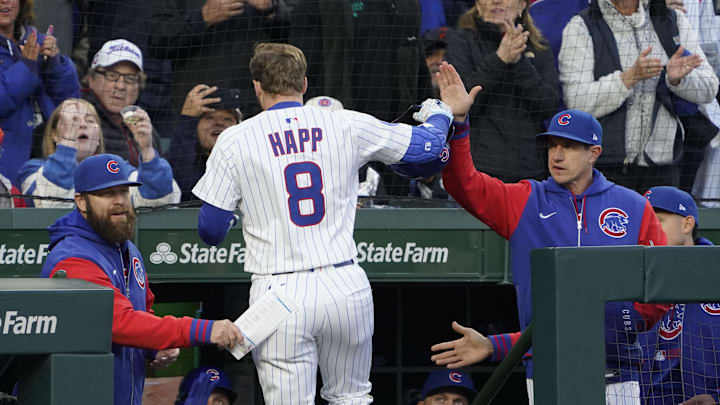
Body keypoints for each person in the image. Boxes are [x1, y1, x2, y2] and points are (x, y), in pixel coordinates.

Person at [191, 42, 464, 404]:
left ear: (257, 87)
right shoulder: (343, 121)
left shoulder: (234, 139)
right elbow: (428, 151)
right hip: (344, 284)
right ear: (304, 83)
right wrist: (440, 113)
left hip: (279, 291)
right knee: (351, 397)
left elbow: (210, 230)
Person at [431, 61, 668, 405]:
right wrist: (458, 123)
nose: (557, 155)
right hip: (548, 369)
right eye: (552, 145)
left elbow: (662, 287)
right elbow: (462, 184)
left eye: (569, 146)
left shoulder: (633, 206)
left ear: (594, 153)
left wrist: (621, 323)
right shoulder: (525, 198)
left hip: (618, 371)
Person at [40, 153, 243, 405]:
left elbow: (142, 310)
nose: (120, 201)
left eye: (123, 192)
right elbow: (120, 323)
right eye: (107, 194)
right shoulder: (73, 258)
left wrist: (153, 348)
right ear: (82, 202)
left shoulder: (127, 249)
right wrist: (204, 329)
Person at [558, 0, 719, 192]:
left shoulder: (672, 20)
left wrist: (676, 81)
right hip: (606, 168)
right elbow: (576, 101)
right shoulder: (581, 25)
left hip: (664, 167)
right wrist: (627, 79)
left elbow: (710, 86)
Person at [443, 0, 559, 183]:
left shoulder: (539, 47)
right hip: (476, 170)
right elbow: (459, 102)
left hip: (529, 171)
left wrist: (518, 62)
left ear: (522, 6)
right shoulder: (460, 41)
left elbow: (548, 105)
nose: (495, 1)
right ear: (478, 5)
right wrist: (500, 59)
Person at [17, 98, 180, 207]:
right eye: (73, 120)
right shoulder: (31, 170)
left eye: (89, 120)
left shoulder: (116, 168)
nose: (82, 125)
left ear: (98, 137)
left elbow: (157, 199)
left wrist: (147, 150)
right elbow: (49, 202)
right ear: (53, 134)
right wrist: (68, 143)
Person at [639, 186, 720, 405]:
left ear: (687, 224)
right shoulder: (633, 278)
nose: (647, 229)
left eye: (657, 221)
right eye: (643, 222)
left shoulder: (716, 273)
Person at [148, 0, 291, 116]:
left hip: (253, 109)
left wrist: (271, 9)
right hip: (197, 108)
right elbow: (157, 43)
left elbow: (295, 38)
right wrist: (202, 17)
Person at [0, 0, 79, 199]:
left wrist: (56, 63)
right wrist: (26, 67)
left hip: (50, 160)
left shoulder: (36, 40)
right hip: (6, 169)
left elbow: (71, 103)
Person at [83, 39, 162, 167]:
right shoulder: (79, 119)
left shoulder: (145, 126)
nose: (120, 86)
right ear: (91, 79)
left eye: (130, 79)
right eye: (112, 75)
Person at [165, 84, 242, 202]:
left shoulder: (249, 160)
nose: (219, 123)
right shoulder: (182, 158)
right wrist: (187, 119)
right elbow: (186, 183)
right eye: (209, 117)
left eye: (227, 119)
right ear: (195, 128)